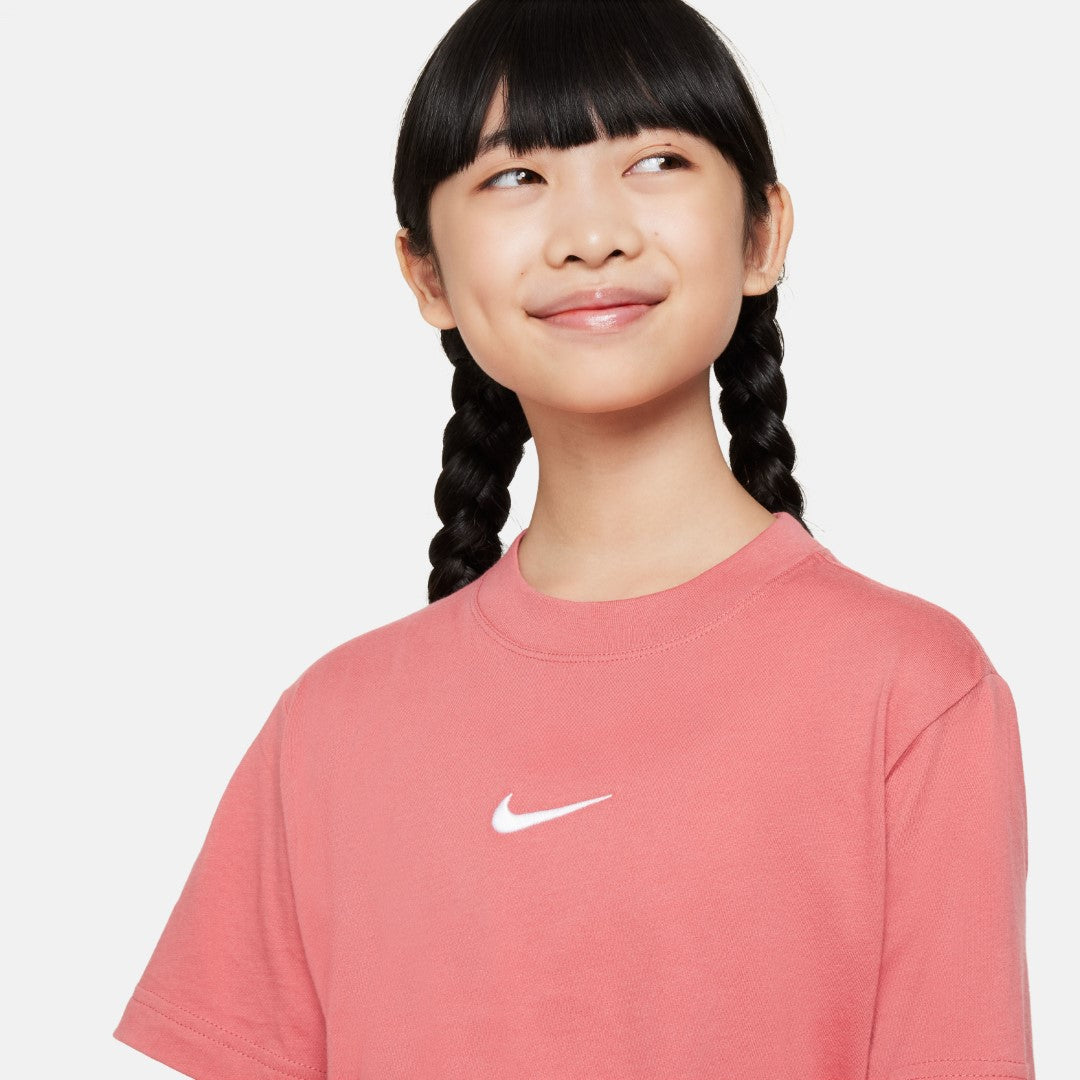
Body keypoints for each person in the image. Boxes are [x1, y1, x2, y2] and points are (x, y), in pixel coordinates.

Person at [112, 1, 1035, 1078]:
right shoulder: (327, 727)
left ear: (762, 235)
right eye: (516, 176)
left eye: (656, 162)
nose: (592, 234)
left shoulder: (909, 690)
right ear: (426, 275)